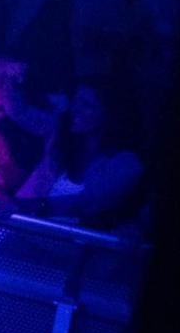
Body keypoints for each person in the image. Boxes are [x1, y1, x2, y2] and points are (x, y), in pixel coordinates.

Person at [14, 81, 146, 230]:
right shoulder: (61, 144)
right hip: (31, 236)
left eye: (87, 104)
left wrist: (26, 206)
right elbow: (19, 112)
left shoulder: (126, 163)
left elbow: (86, 204)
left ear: (109, 113)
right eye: (75, 101)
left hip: (77, 248)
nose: (75, 109)